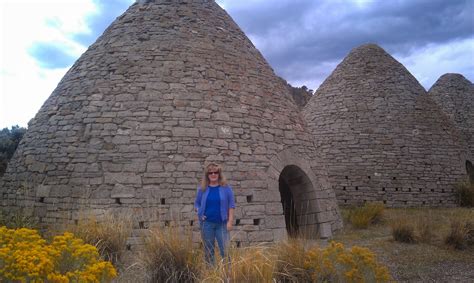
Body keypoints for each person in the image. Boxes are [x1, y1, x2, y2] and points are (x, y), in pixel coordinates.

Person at [194, 162, 235, 265]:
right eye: (210, 173)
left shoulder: (226, 188)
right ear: (207, 175)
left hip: (222, 224)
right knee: (208, 252)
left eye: (215, 172)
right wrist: (199, 213)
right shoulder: (202, 189)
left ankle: (228, 276)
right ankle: (212, 275)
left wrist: (230, 222)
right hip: (206, 224)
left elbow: (231, 205)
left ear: (219, 174)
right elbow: (197, 204)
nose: (213, 174)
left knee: (225, 251)